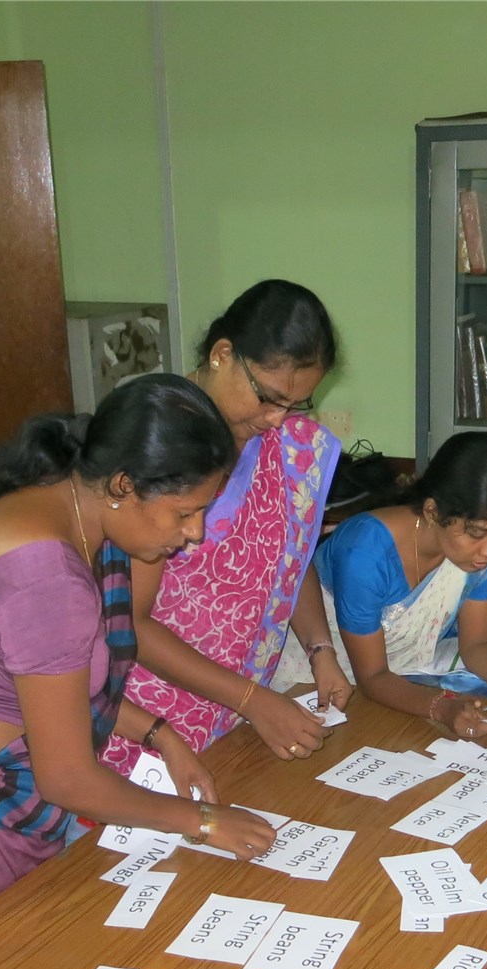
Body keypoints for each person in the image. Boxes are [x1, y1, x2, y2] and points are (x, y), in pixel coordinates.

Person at [0, 375, 277, 969]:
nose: (194, 532)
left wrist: (159, 734)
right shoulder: (50, 578)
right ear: (124, 487)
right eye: (186, 511)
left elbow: (47, 687)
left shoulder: (62, 505)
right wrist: (202, 822)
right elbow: (68, 778)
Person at [103, 281, 351, 776]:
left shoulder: (290, 450)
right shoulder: (155, 440)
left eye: (296, 405)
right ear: (222, 355)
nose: (277, 419)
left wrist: (321, 650)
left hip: (231, 719)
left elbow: (289, 557)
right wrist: (253, 701)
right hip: (145, 721)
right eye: (268, 397)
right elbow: (131, 622)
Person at [279, 430, 487, 739]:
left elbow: (477, 645)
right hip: (320, 684)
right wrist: (443, 707)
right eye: (478, 532)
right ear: (433, 512)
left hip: (404, 684)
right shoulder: (366, 552)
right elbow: (371, 676)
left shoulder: (481, 550)